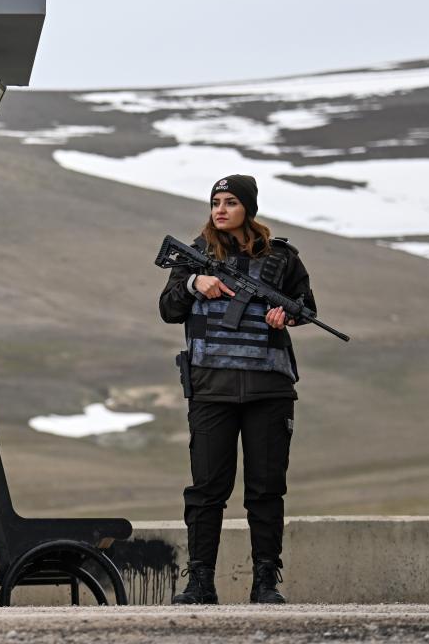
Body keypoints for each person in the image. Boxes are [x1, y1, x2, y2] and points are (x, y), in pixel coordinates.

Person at [158, 174, 317, 605]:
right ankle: (200, 582)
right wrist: (195, 285)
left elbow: (307, 307)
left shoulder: (282, 258)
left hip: (269, 388)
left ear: (249, 207)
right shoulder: (195, 255)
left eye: (230, 202)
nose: (220, 210)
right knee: (207, 489)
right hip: (211, 388)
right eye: (215, 202)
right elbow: (168, 308)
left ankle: (266, 581)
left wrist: (288, 317)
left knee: (266, 489)